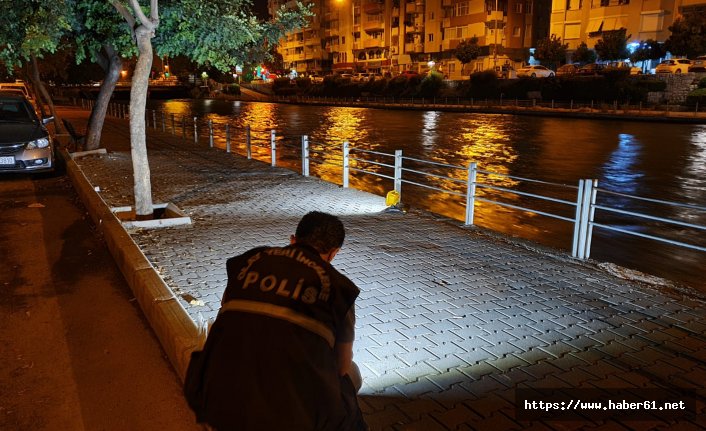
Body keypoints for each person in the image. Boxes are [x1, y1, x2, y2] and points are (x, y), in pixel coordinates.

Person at [193, 211, 367, 431]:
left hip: (219, 393)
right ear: (334, 253)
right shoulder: (339, 288)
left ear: (293, 239)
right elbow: (341, 365)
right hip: (288, 413)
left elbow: (224, 313)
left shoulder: (248, 262)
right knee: (353, 374)